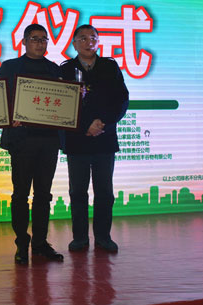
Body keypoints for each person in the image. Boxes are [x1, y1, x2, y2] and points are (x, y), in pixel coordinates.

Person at [0, 23, 64, 265]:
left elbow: (63, 102)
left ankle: (40, 242)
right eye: (35, 38)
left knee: (44, 195)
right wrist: (9, 116)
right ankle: (21, 242)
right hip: (21, 140)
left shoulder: (55, 69)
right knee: (20, 194)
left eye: (44, 39)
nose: (40, 43)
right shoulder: (10, 67)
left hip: (49, 140)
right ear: (24, 41)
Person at [60, 25, 129, 253]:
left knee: (104, 192)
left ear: (98, 42)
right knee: (77, 192)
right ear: (74, 43)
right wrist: (84, 126)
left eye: (93, 38)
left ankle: (103, 237)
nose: (88, 42)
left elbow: (122, 100)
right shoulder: (66, 69)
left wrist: (103, 123)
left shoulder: (110, 67)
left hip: (104, 138)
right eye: (83, 38)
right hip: (77, 140)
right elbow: (62, 105)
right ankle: (80, 238)